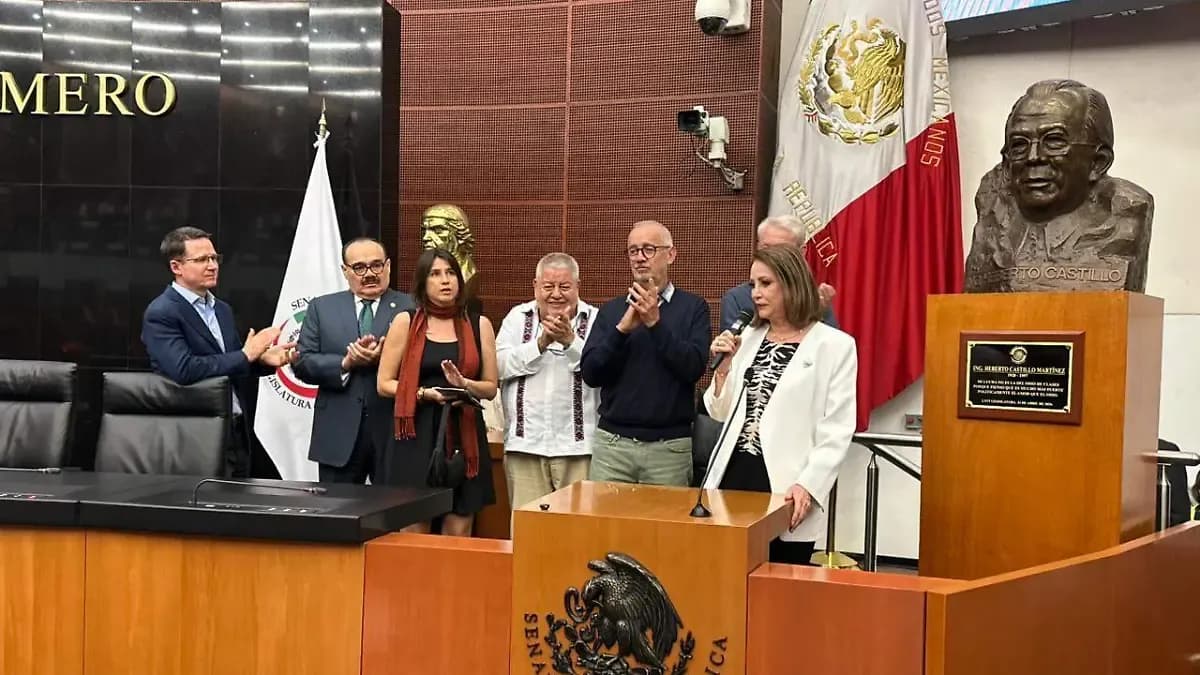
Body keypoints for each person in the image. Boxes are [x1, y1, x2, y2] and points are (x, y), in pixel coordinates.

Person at [703, 244, 857, 564]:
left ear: (791, 284)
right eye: (753, 284)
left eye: (765, 283)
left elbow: (837, 429)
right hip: (733, 477)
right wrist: (723, 370)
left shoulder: (834, 346)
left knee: (777, 581)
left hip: (787, 486)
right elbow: (719, 412)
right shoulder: (746, 338)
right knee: (724, 576)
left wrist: (809, 485)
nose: (755, 293)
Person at [964, 79, 1153, 293]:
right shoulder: (994, 217)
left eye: (1054, 142)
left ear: (1098, 162)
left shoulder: (1124, 218)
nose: (1033, 157)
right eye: (1019, 144)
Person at [141, 226, 294, 478]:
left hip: (235, 428)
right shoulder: (162, 312)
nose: (212, 266)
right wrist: (246, 355)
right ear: (176, 267)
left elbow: (228, 364)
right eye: (202, 259)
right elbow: (184, 370)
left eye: (214, 258)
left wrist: (261, 361)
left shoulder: (222, 309)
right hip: (194, 433)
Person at [377, 248, 498, 536]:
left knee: (459, 526)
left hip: (464, 434)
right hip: (415, 433)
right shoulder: (406, 321)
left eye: (451, 273)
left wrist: (464, 384)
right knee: (413, 526)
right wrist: (423, 394)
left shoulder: (479, 324)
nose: (445, 280)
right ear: (423, 282)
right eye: (435, 274)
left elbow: (490, 387)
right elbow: (384, 383)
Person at [581, 221, 710, 486]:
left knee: (667, 516)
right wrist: (621, 331)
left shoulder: (694, 308)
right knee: (604, 515)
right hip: (613, 446)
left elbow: (693, 368)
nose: (639, 257)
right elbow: (591, 373)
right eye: (633, 251)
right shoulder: (612, 311)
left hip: (669, 449)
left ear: (671, 255)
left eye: (648, 249)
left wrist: (655, 325)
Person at [291, 238, 414, 483]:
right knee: (336, 506)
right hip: (338, 434)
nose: (369, 274)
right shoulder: (321, 307)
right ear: (345, 271)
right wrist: (345, 363)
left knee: (397, 505)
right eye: (359, 267)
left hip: (395, 432)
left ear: (388, 266)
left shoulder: (412, 307)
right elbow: (303, 362)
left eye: (376, 265)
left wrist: (386, 359)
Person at [496, 253, 598, 509]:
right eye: (548, 286)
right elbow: (498, 366)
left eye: (564, 287)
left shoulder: (596, 320)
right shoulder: (517, 318)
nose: (556, 294)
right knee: (528, 526)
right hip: (525, 446)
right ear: (535, 286)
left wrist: (570, 341)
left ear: (577, 286)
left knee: (578, 526)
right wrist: (540, 344)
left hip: (579, 448)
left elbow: (603, 369)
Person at [719, 215, 838, 333]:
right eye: (766, 247)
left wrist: (819, 313)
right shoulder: (737, 298)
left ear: (802, 252)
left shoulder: (814, 297)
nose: (771, 256)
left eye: (781, 249)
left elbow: (832, 342)